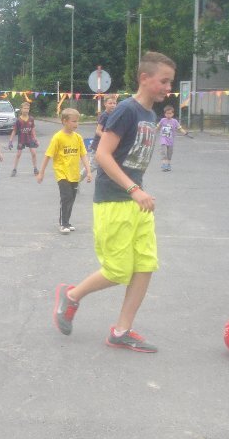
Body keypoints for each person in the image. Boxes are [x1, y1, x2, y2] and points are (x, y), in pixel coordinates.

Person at [52, 51, 176, 352]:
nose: (168, 87)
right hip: (114, 201)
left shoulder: (151, 115)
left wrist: (138, 192)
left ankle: (122, 331)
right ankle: (71, 296)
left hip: (137, 201)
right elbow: (103, 155)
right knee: (118, 270)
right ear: (144, 78)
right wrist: (134, 189)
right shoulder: (126, 110)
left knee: (145, 265)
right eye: (163, 81)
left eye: (170, 82)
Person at [36, 108, 92, 234]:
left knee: (71, 198)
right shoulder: (58, 137)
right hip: (62, 173)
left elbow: (83, 155)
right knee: (66, 196)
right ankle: (63, 223)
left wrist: (88, 171)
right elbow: (48, 155)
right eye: (74, 121)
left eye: (77, 121)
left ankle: (67, 221)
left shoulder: (78, 137)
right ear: (64, 121)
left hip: (74, 173)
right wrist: (41, 173)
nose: (76, 124)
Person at [83, 93, 118, 180]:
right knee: (92, 166)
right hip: (98, 145)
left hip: (107, 146)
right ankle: (75, 181)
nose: (113, 105)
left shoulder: (114, 115)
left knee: (108, 165)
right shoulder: (104, 116)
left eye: (114, 103)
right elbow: (98, 131)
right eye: (110, 103)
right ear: (105, 104)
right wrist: (108, 138)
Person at [8, 102, 39, 177]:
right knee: (18, 154)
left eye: (28, 108)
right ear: (21, 109)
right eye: (25, 108)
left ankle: (35, 168)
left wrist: (35, 139)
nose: (26, 110)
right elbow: (14, 131)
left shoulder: (31, 119)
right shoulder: (18, 120)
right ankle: (14, 169)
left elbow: (33, 129)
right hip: (21, 139)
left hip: (30, 138)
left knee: (34, 153)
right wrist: (10, 141)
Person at [158, 105, 189, 171]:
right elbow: (158, 127)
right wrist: (152, 131)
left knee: (169, 153)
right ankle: (164, 165)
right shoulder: (162, 120)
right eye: (167, 113)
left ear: (173, 114)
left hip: (170, 140)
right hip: (163, 139)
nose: (168, 115)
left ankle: (168, 164)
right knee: (163, 152)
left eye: (170, 113)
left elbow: (180, 128)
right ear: (165, 114)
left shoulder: (175, 121)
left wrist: (185, 132)